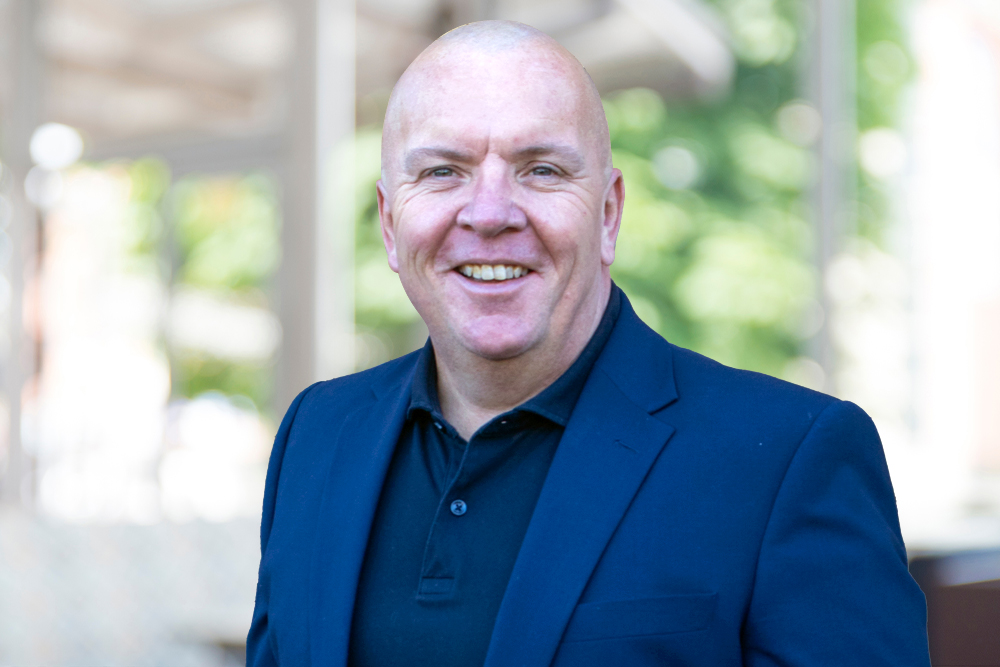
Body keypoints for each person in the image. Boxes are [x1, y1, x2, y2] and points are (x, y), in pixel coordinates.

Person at [247, 20, 930, 667]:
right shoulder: (316, 436)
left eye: (541, 169)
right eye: (442, 171)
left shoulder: (788, 458)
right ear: (390, 223)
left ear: (608, 214)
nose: (489, 213)